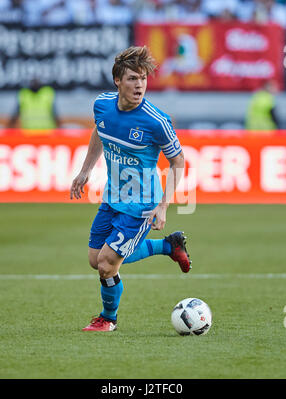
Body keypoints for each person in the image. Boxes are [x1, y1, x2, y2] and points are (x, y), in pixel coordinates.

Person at [70, 46, 191, 332]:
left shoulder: (156, 121)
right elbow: (99, 130)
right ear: (117, 81)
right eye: (133, 79)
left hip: (141, 206)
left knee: (107, 265)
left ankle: (108, 318)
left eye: (143, 79)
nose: (139, 85)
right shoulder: (102, 105)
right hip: (112, 198)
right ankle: (168, 246)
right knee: (95, 258)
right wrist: (86, 169)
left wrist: (163, 205)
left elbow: (178, 162)